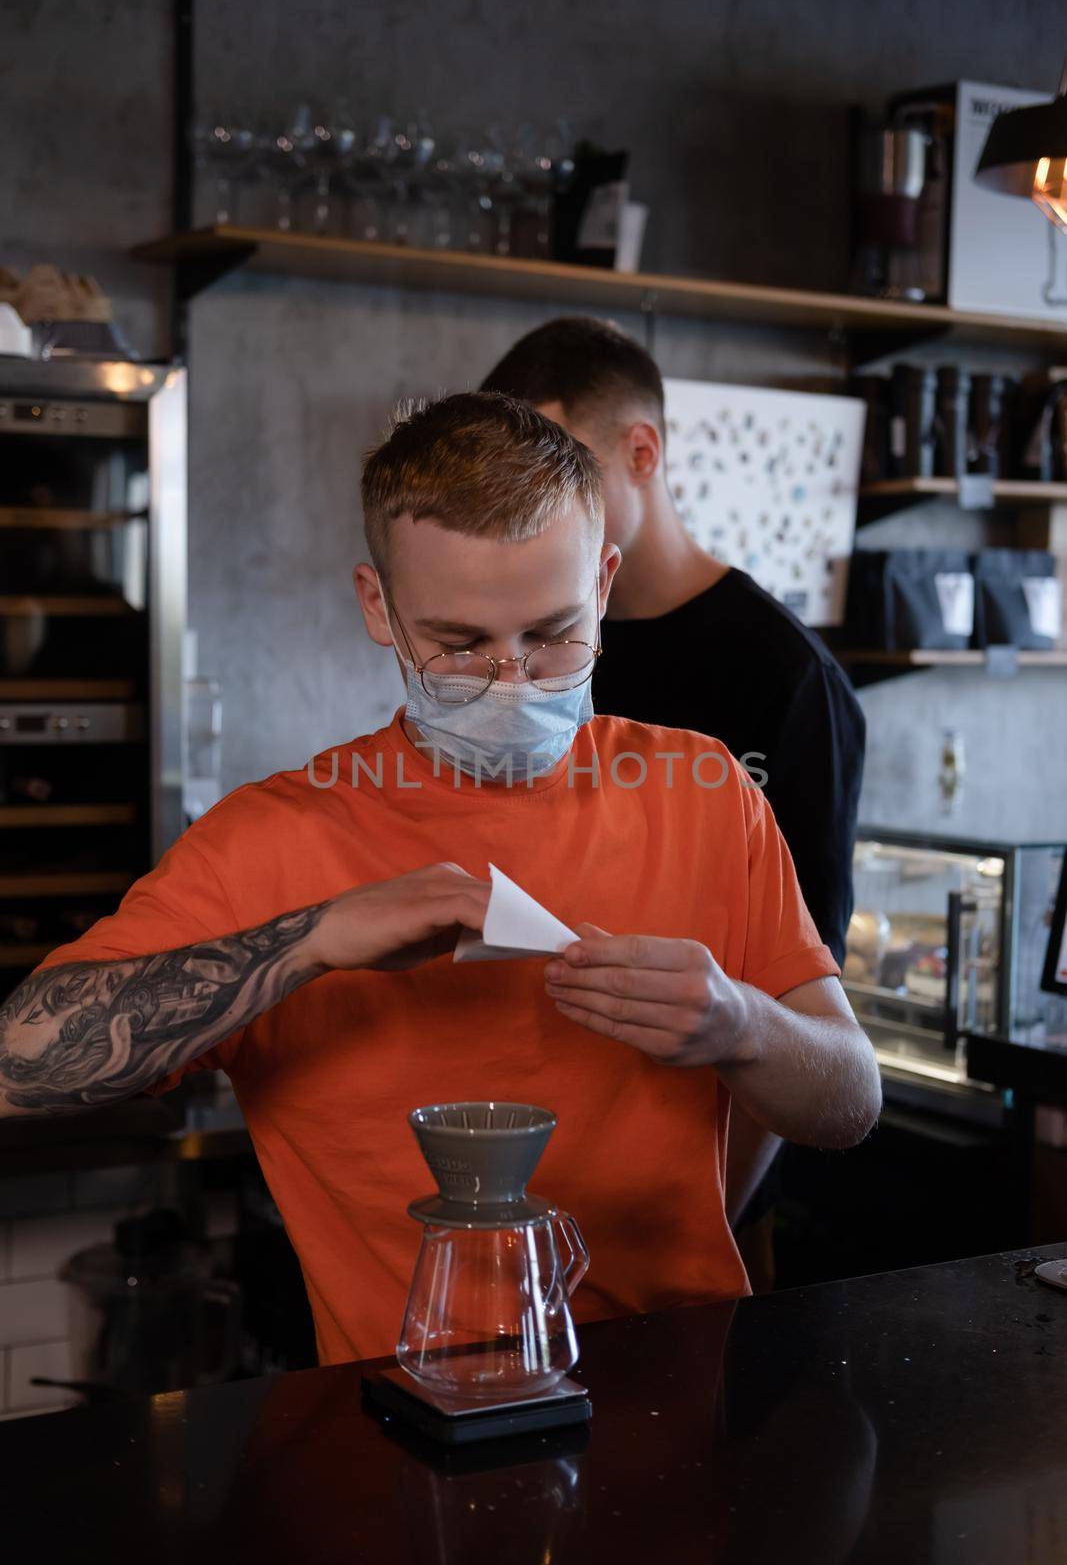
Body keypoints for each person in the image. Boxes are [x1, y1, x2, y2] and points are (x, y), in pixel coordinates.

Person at [0, 393, 880, 1365]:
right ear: (378, 606)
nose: (510, 680)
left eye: (550, 634)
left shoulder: (707, 791)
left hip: (679, 1388)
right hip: (400, 1411)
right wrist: (309, 940)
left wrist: (739, 1025)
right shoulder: (270, 839)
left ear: (602, 580)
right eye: (459, 643)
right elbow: (15, 1066)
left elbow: (848, 1102)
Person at [481, 321, 867, 1277]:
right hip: (541, 1171)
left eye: (552, 468)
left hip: (705, 1196)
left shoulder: (783, 678)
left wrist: (708, 1218)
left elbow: (802, 998)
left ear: (640, 452)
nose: (526, 510)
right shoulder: (532, 655)